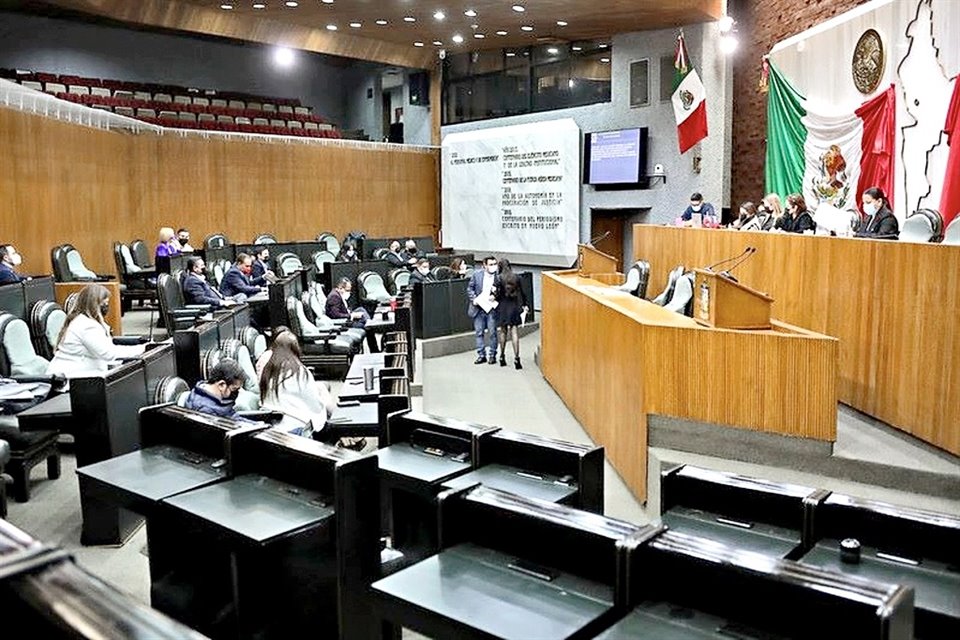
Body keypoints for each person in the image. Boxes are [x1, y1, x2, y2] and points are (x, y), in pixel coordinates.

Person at [46, 284, 145, 379]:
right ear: (93, 305)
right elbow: (109, 354)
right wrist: (142, 349)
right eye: (104, 304)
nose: (106, 307)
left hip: (83, 375)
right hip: (73, 378)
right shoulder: (86, 326)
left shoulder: (85, 320)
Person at [259, 331, 336, 438]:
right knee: (325, 400)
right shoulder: (299, 371)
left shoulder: (268, 370)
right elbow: (315, 404)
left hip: (274, 429)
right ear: (295, 348)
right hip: (299, 430)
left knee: (321, 388)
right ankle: (341, 422)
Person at [183, 358, 252, 422]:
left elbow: (234, 417)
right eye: (234, 389)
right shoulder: (207, 411)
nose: (237, 392)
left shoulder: (202, 393)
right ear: (221, 385)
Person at [325, 277, 378, 352]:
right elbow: (335, 315)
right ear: (340, 288)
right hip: (343, 324)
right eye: (347, 290)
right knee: (368, 328)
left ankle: (368, 321)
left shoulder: (337, 293)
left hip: (347, 317)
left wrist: (351, 313)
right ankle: (374, 349)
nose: (349, 292)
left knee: (361, 309)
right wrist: (351, 316)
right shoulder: (334, 297)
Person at [494, 259, 529, 369]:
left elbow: (496, 293)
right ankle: (517, 359)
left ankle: (502, 356)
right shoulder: (517, 277)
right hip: (514, 306)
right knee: (514, 332)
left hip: (502, 307)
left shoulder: (499, 278)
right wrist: (525, 305)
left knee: (503, 332)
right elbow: (523, 293)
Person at [467, 256, 500, 365]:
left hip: (491, 308)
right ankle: (481, 355)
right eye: (490, 264)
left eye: (495, 264)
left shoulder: (498, 276)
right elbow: (470, 288)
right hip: (478, 308)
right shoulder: (477, 275)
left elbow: (502, 291)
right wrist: (474, 298)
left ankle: (492, 355)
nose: (493, 266)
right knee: (479, 333)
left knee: (492, 333)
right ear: (484, 265)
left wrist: (496, 296)